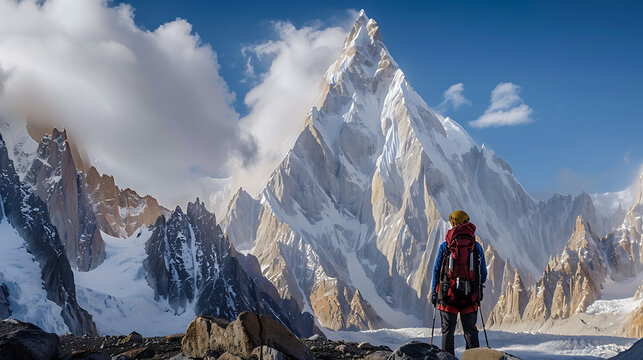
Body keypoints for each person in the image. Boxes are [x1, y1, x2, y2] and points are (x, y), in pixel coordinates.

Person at [431, 210, 487, 355]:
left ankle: (447, 359)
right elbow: (483, 274)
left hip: (448, 297)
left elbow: (436, 272)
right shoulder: (476, 246)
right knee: (470, 331)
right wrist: (475, 288)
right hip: (470, 297)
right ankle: (474, 358)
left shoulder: (446, 246)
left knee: (447, 331)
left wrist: (434, 293)